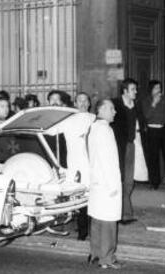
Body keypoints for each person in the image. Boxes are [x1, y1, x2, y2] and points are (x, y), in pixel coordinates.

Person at [87, 99, 123, 269]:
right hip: (107, 182)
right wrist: (113, 186)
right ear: (101, 110)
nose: (114, 111)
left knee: (97, 219)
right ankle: (107, 258)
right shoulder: (105, 130)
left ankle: (95, 254)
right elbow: (107, 161)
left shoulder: (94, 128)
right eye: (111, 108)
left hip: (96, 181)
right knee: (108, 221)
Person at [111, 78, 148, 225]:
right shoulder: (115, 104)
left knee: (128, 181)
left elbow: (141, 123)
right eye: (133, 89)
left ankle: (125, 213)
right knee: (120, 179)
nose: (136, 92)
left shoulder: (136, 105)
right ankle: (120, 214)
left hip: (132, 145)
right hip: (118, 147)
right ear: (125, 91)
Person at [141, 80, 165, 190]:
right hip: (152, 130)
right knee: (153, 157)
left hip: (164, 130)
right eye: (156, 88)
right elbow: (147, 116)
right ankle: (154, 182)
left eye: (159, 88)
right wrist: (154, 103)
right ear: (151, 90)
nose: (158, 90)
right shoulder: (146, 100)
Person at [73, 92, 92, 240]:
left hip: (91, 164)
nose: (83, 103)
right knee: (79, 198)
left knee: (91, 198)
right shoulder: (69, 120)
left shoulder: (94, 119)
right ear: (75, 104)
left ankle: (90, 230)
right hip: (76, 164)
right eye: (80, 101)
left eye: (85, 100)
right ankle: (81, 230)